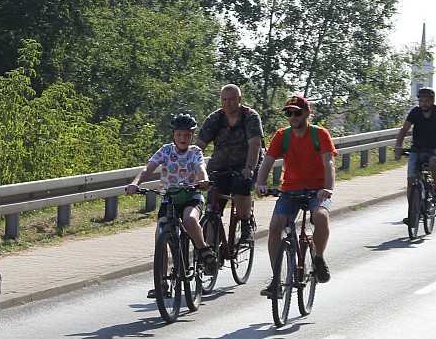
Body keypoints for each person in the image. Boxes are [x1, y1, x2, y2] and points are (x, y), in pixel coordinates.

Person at [125, 113, 215, 297]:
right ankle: (162, 283)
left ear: (192, 135)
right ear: (173, 134)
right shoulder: (165, 151)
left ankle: (204, 251)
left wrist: (204, 180)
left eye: (187, 135)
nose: (183, 138)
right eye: (179, 134)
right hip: (170, 199)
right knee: (160, 235)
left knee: (190, 221)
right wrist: (136, 183)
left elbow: (201, 169)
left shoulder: (195, 152)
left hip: (191, 197)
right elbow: (147, 169)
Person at [254, 95, 336, 296]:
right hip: (290, 190)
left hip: (317, 190)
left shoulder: (320, 134)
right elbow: (267, 162)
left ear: (307, 114)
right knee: (274, 227)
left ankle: (318, 259)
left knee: (320, 217)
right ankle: (276, 279)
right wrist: (260, 183)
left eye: (297, 113)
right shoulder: (282, 136)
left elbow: (329, 164)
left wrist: (328, 188)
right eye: (289, 113)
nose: (293, 117)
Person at [196, 84, 264, 245]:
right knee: (212, 206)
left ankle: (246, 223)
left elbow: (255, 144)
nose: (227, 104)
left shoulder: (250, 117)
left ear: (239, 99)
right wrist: (190, 167)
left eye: (231, 100)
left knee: (240, 187)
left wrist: (248, 168)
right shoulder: (216, 118)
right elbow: (199, 145)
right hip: (219, 165)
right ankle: (211, 249)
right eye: (224, 100)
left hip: (245, 162)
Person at [394, 87, 436, 205]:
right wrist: (398, 146)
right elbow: (404, 129)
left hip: (435, 150)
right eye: (421, 101)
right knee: (411, 180)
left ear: (432, 101)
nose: (424, 104)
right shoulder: (415, 112)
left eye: (427, 101)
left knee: (435, 162)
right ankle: (412, 212)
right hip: (417, 149)